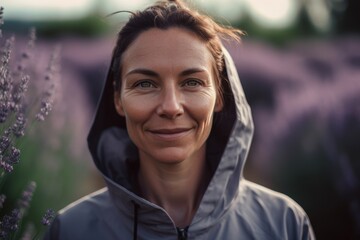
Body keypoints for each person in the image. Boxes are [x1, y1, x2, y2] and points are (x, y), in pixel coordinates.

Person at [44, 0, 315, 239]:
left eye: (192, 82)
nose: (171, 107)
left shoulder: (283, 224)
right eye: (145, 84)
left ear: (220, 96)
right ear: (118, 99)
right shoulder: (71, 230)